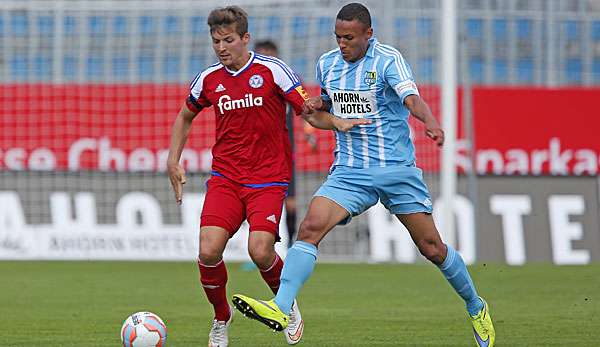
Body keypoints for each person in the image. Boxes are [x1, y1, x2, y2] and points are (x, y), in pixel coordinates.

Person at [232, 3, 496, 347]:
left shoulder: (388, 59)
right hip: (350, 170)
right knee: (309, 227)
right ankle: (282, 307)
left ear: (368, 35)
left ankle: (476, 305)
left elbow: (411, 98)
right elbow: (332, 99)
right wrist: (318, 103)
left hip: (395, 170)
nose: (342, 43)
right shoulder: (327, 63)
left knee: (432, 248)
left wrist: (429, 121)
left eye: (350, 37)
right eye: (338, 37)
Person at [165, 6, 326, 347]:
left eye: (228, 40)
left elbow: (307, 110)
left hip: (268, 178)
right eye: (215, 41)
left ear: (245, 39)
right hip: (226, 177)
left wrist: (332, 122)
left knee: (260, 250)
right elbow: (184, 116)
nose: (221, 47)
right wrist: (173, 160)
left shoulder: (273, 71)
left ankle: (286, 306)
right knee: (208, 251)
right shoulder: (208, 79)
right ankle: (221, 317)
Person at [253, 39, 318, 249]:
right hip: (256, 152)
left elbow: (305, 109)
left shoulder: (286, 79)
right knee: (257, 202)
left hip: (283, 151)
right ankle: (263, 249)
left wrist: (310, 134)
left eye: (268, 55)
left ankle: (290, 245)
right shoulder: (250, 82)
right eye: (261, 55)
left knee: (289, 202)